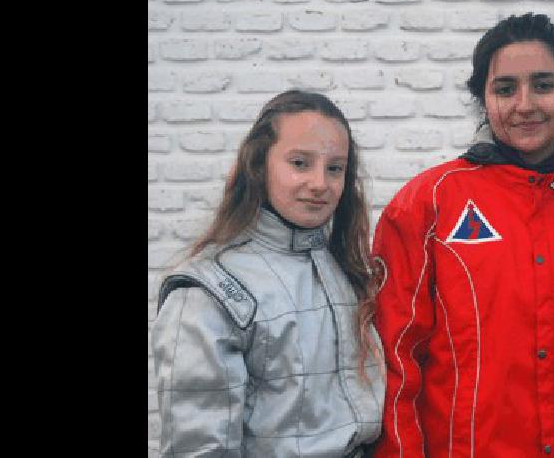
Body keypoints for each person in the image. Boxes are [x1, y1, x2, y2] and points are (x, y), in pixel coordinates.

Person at [370, 13, 554, 457]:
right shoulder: (429, 203)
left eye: (544, 84)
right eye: (505, 89)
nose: (525, 104)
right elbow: (394, 359)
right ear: (483, 98)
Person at [151, 90, 384, 457]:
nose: (320, 183)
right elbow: (196, 448)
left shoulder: (344, 270)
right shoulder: (206, 293)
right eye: (300, 163)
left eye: (334, 168)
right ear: (259, 166)